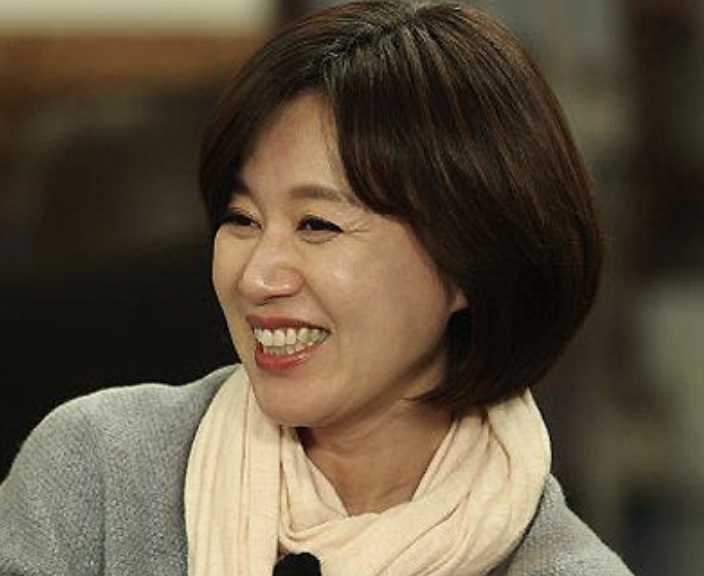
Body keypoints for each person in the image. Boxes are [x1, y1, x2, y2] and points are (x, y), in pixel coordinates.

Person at [0, 1, 634, 575]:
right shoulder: (97, 476)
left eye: (317, 224)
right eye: (242, 218)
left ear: (470, 260)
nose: (257, 276)